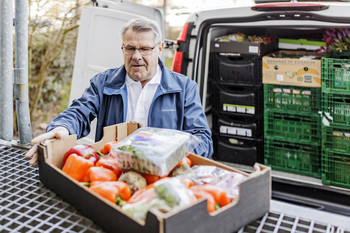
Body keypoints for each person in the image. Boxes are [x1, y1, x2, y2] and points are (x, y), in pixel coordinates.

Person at [25, 17, 213, 165]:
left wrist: (164, 155)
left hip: (162, 177)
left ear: (160, 49)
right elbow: (79, 111)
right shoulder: (104, 82)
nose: (136, 56)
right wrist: (62, 128)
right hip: (109, 173)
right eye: (130, 48)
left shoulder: (184, 88)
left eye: (145, 49)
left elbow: (203, 141)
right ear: (122, 48)